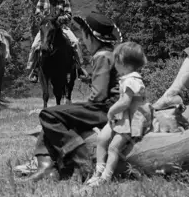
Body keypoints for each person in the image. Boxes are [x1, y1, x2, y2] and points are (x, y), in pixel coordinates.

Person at [22, 13, 122, 182]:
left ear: (92, 38)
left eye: (84, 35)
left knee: (48, 114)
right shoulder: (109, 53)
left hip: (106, 108)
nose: (82, 40)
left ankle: (81, 161)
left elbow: (98, 96)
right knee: (57, 113)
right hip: (110, 106)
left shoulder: (101, 56)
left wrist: (79, 109)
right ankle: (46, 167)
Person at [82, 41, 150, 190]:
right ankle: (98, 171)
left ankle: (106, 176)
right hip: (121, 117)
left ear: (123, 63)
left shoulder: (132, 80)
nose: (114, 65)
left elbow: (125, 102)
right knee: (102, 138)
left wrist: (111, 111)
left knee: (113, 147)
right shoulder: (128, 78)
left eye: (116, 62)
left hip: (130, 119)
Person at [25, 0, 83, 83]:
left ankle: (80, 69)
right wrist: (44, 18)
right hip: (46, 28)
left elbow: (69, 15)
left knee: (75, 42)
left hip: (61, 27)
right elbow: (37, 12)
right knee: (35, 46)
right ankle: (33, 70)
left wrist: (60, 18)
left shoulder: (64, 0)